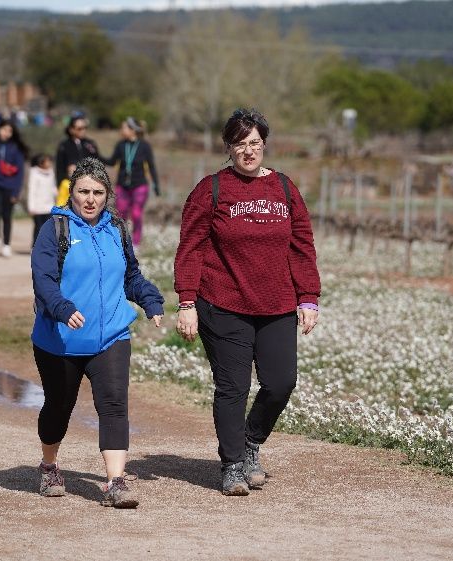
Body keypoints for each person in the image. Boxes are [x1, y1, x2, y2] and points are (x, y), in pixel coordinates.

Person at [173, 108, 321, 496]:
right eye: (240, 144)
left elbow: (302, 247)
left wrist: (308, 297)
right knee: (232, 388)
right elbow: (190, 248)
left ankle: (251, 442)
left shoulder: (285, 189)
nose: (248, 151)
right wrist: (186, 302)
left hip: (275, 306)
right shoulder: (211, 190)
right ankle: (233, 464)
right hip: (222, 304)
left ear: (264, 144)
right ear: (228, 148)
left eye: (254, 143)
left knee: (280, 383)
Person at [31, 157, 164, 508]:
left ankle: (115, 482)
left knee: (114, 405)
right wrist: (63, 309)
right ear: (71, 193)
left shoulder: (116, 229)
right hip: (60, 340)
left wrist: (150, 300)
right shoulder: (55, 229)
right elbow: (43, 280)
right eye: (83, 192)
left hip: (111, 337)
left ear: (108, 195)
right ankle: (49, 467)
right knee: (59, 406)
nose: (90, 199)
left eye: (98, 192)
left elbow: (130, 276)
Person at [103, 117, 160, 247]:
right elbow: (112, 161)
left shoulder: (145, 146)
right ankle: (122, 240)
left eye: (124, 127)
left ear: (133, 130)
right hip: (122, 185)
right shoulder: (120, 145)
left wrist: (156, 184)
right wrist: (96, 154)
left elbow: (151, 166)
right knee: (121, 213)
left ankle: (136, 242)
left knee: (136, 213)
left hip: (140, 185)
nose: (122, 130)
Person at [0, 119, 28, 257]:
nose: (6, 133)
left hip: (9, 185)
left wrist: (16, 190)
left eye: (9, 131)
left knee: (7, 215)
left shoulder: (15, 147)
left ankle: (6, 244)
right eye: (4, 130)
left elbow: (20, 171)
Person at [54, 113, 100, 187]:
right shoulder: (64, 145)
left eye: (85, 128)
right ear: (71, 129)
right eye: (79, 128)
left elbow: (98, 163)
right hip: (69, 186)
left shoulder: (90, 144)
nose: (83, 130)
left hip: (89, 185)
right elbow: (59, 169)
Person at [27, 153, 57, 247]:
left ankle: (46, 246)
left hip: (49, 206)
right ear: (41, 163)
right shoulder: (34, 173)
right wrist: (31, 207)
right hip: (38, 207)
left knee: (48, 227)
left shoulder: (51, 172)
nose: (49, 163)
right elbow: (32, 190)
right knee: (38, 227)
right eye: (47, 161)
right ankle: (35, 246)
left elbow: (53, 187)